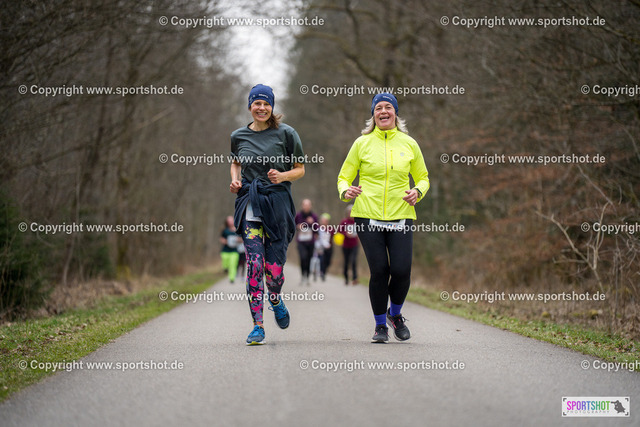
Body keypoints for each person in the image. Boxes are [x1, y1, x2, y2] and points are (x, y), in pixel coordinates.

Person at [337, 93, 429, 343]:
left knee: (401, 270)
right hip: (367, 215)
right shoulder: (362, 143)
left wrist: (417, 191)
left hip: (401, 214)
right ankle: (380, 326)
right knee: (379, 270)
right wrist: (346, 191)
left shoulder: (409, 143)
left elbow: (423, 178)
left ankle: (394, 315)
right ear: (373, 115)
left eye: (388, 107)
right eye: (378, 108)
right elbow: (344, 177)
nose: (383, 111)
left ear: (395, 113)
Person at [230, 84, 305, 345]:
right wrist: (235, 180)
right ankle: (258, 326)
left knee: (273, 271)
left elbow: (300, 169)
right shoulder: (238, 136)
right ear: (250, 106)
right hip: (250, 202)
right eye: (257, 103)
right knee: (254, 264)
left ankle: (275, 298)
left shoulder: (287, 134)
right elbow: (236, 161)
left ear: (272, 107)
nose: (261, 108)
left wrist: (282, 176)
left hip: (277, 203)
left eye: (266, 104)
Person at [294, 199, 318, 285]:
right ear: (302, 206)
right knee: (303, 258)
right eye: (305, 205)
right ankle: (302, 275)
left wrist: (313, 223)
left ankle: (307, 276)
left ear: (310, 206)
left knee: (309, 259)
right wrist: (297, 226)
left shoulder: (314, 216)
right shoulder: (298, 215)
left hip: (310, 242)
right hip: (301, 242)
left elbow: (317, 228)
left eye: (308, 205)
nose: (306, 207)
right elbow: (293, 226)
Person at [338, 205, 359, 285]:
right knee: (346, 261)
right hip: (346, 245)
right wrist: (346, 233)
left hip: (354, 244)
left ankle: (354, 278)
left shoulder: (357, 221)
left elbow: (362, 230)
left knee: (353, 260)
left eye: (352, 212)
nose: (351, 213)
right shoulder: (344, 221)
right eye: (349, 212)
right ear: (347, 213)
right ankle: (346, 278)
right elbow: (339, 231)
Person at [220, 216, 240, 284]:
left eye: (232, 220)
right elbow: (221, 238)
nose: (231, 222)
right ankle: (225, 268)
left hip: (234, 251)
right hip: (225, 250)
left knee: (233, 264)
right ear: (227, 222)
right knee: (225, 261)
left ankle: (232, 278)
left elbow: (242, 239)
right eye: (229, 221)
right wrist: (225, 241)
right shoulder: (225, 230)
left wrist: (237, 240)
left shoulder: (237, 229)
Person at [317, 213, 334, 281]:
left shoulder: (331, 229)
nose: (324, 222)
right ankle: (322, 272)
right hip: (320, 247)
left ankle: (324, 271)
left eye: (325, 221)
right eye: (322, 220)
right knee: (322, 260)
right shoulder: (317, 228)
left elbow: (334, 236)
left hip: (329, 247)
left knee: (328, 262)